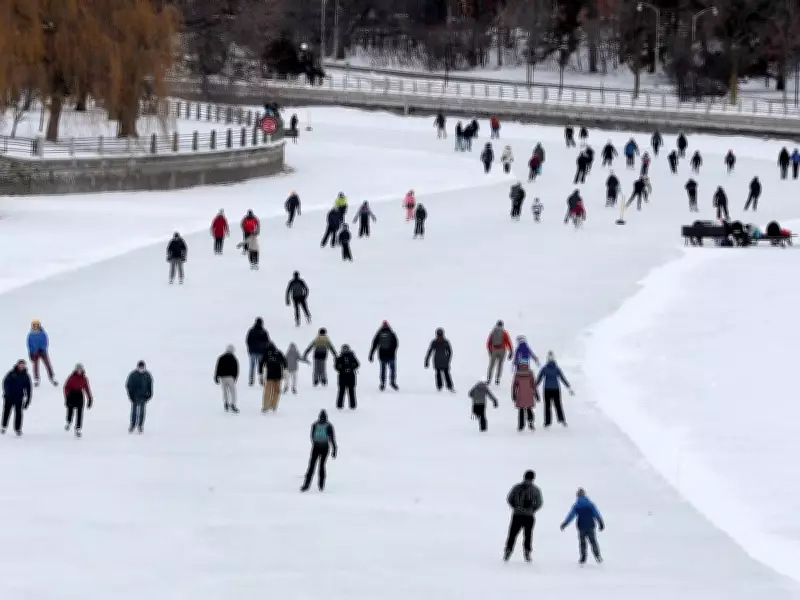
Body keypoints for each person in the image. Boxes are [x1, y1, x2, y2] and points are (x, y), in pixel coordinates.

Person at [504, 470, 543, 562]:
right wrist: (533, 510)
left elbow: (510, 498)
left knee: (515, 534)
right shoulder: (535, 489)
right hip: (527, 516)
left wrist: (515, 507)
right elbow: (539, 502)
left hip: (519, 515)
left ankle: (510, 552)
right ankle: (525, 552)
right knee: (525, 535)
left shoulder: (517, 488)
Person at [560, 488, 605, 565]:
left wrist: (564, 524)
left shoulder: (577, 506)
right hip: (591, 525)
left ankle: (583, 558)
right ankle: (598, 556)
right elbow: (596, 514)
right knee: (593, 541)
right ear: (585, 495)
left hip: (581, 526)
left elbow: (571, 516)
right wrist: (601, 523)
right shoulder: (591, 505)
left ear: (577, 496)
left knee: (582, 542)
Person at [301, 410, 338, 492]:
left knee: (311, 466)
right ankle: (321, 484)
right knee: (321, 466)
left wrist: (314, 444)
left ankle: (306, 484)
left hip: (316, 447)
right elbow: (332, 439)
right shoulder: (329, 426)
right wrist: (334, 450)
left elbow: (311, 436)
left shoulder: (315, 424)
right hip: (325, 448)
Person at [536, 351, 573, 427]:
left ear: (547, 360)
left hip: (547, 390)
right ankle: (562, 420)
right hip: (556, 389)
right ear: (554, 360)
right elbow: (563, 378)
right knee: (558, 405)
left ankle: (547, 422)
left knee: (547, 406)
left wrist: (533, 387)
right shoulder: (557, 369)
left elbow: (539, 379)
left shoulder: (544, 369)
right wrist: (568, 387)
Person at [1, 360, 32, 436]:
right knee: (6, 412)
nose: (21, 366)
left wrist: (28, 400)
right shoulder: (11, 373)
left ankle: (17, 429)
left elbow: (29, 388)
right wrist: (7, 392)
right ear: (17, 365)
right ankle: (4, 426)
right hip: (9, 397)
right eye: (20, 365)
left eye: (23, 365)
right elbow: (5, 382)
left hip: (19, 397)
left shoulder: (26, 375)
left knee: (19, 413)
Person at [63, 363, 93, 437]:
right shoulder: (71, 377)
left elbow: (87, 388)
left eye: (80, 369)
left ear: (82, 370)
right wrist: (67, 396)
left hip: (79, 395)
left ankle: (78, 428)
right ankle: (69, 422)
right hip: (72, 394)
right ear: (75, 370)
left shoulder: (84, 378)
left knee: (80, 412)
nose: (79, 371)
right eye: (78, 369)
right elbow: (66, 387)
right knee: (70, 410)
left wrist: (90, 398)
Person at [369, 321, 399, 391]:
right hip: (391, 355)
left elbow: (374, 344)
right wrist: (393, 351)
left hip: (382, 354)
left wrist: (371, 354)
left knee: (383, 370)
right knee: (393, 370)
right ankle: (393, 382)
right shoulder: (392, 333)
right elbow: (396, 344)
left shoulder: (379, 334)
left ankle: (382, 383)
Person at [126, 360, 153, 434]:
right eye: (140, 367)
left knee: (142, 412)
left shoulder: (147, 375)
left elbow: (150, 385)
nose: (141, 369)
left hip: (143, 397)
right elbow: (128, 385)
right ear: (137, 367)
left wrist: (150, 394)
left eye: (142, 367)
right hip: (134, 396)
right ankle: (132, 425)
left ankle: (140, 425)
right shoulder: (133, 375)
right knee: (134, 412)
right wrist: (131, 395)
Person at [27, 320, 56, 387]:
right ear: (33, 326)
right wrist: (31, 352)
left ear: (39, 325)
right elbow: (29, 344)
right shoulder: (30, 334)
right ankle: (36, 378)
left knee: (47, 363)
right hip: (34, 352)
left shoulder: (42, 333)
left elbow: (46, 342)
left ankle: (51, 376)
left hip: (42, 351)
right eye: (35, 325)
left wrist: (42, 348)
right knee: (35, 365)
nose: (36, 326)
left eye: (37, 325)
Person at [424, 328, 454, 392]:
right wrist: (448, 359)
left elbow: (429, 352)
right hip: (444, 360)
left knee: (438, 374)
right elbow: (450, 352)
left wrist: (426, 361)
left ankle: (439, 387)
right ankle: (449, 386)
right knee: (446, 374)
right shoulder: (446, 341)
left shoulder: (434, 342)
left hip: (437, 360)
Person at [260, 342, 286, 413]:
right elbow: (284, 362)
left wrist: (260, 374)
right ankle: (274, 406)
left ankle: (266, 406)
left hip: (270, 375)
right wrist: (285, 370)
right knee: (277, 391)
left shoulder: (266, 353)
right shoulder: (278, 352)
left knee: (268, 391)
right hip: (278, 375)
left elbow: (261, 363)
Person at [512, 360, 538, 431]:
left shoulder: (517, 373)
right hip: (529, 394)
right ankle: (530, 422)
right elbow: (533, 385)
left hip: (520, 394)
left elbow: (514, 385)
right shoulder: (530, 373)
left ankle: (521, 425)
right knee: (529, 409)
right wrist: (536, 394)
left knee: (521, 410)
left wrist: (513, 394)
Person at [486, 320, 513, 385]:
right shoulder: (504, 333)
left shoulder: (493, 332)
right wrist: (511, 351)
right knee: (500, 365)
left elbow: (488, 343)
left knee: (491, 366)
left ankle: (489, 379)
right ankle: (497, 379)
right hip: (502, 351)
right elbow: (508, 342)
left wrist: (490, 351)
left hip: (494, 351)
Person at [214, 345, 239, 413]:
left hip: (222, 377)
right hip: (230, 377)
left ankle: (226, 403)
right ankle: (233, 404)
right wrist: (235, 377)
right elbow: (236, 369)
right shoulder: (234, 358)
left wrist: (216, 376)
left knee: (225, 391)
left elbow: (218, 368)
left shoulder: (221, 358)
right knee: (232, 391)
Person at [334, 344, 360, 409]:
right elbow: (357, 364)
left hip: (344, 377)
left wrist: (344, 369)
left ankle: (341, 406)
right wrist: (349, 368)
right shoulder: (351, 356)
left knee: (343, 392)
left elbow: (336, 367)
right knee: (348, 392)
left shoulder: (340, 357)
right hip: (349, 376)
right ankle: (351, 406)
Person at [246, 318, 270, 386]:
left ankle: (251, 380)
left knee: (252, 366)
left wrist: (249, 349)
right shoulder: (264, 331)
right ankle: (261, 380)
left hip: (252, 351)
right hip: (261, 352)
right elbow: (267, 342)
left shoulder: (251, 331)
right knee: (261, 367)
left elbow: (248, 340)